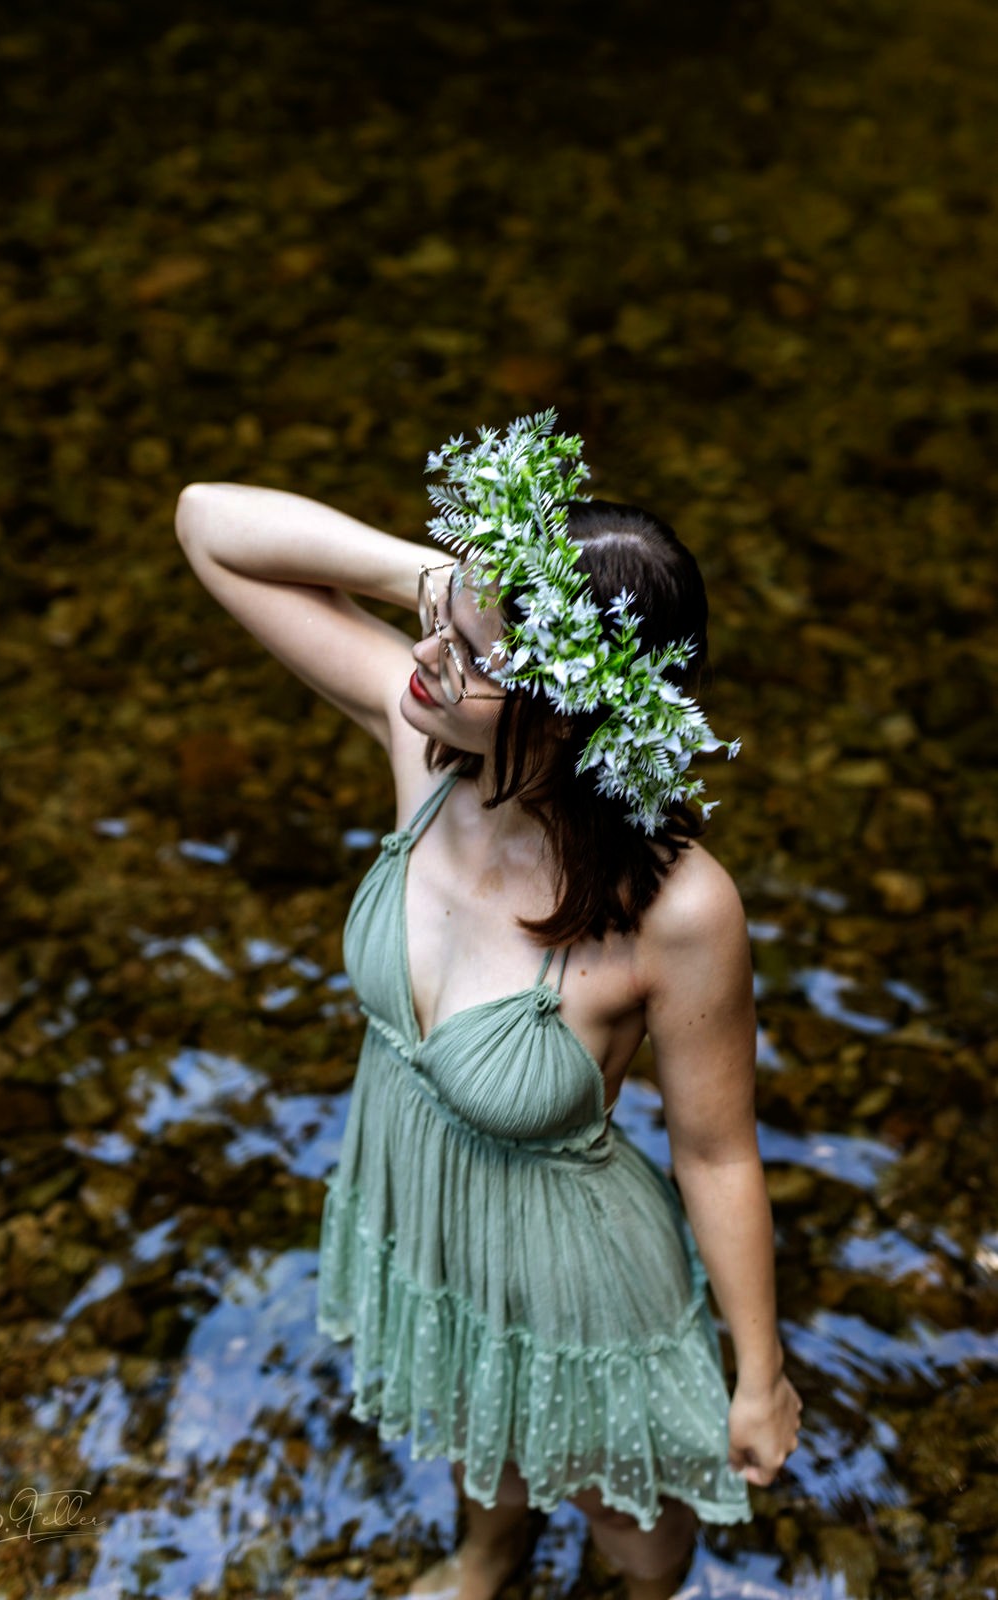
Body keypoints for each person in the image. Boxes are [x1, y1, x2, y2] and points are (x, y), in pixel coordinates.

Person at [175, 413, 801, 1600]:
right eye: (440, 629)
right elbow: (209, 521)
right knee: (475, 1411)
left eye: (472, 658)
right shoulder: (427, 752)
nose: (427, 661)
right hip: (424, 1192)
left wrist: (756, 1373)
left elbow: (715, 1150)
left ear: (569, 719)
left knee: (634, 1534)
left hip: (574, 1257)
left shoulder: (672, 908)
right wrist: (450, 586)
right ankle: (483, 1563)